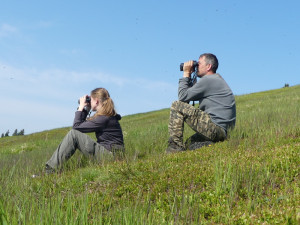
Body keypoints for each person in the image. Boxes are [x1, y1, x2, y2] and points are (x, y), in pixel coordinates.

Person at [166, 53, 236, 153]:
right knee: (190, 143)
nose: (196, 66)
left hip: (216, 128)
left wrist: (186, 73)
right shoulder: (215, 79)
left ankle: (175, 149)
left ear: (209, 66)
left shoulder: (209, 80)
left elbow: (182, 98)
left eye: (198, 64)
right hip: (221, 131)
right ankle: (212, 145)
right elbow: (186, 99)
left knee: (176, 105)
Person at [45, 87, 125, 173]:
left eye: (91, 100)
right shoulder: (106, 116)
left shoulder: (103, 118)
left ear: (97, 101)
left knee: (73, 134)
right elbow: (81, 125)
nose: (89, 102)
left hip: (110, 157)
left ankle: (50, 170)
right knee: (74, 133)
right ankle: (51, 169)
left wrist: (81, 107)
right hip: (113, 156)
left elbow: (76, 126)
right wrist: (86, 109)